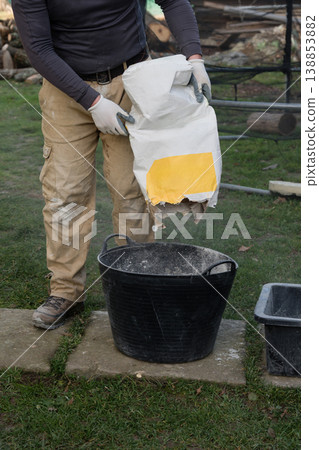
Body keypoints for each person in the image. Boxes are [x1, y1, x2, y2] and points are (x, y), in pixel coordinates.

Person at [11, 0, 211, 330]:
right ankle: (66, 292)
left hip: (132, 80)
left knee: (131, 190)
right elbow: (39, 48)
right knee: (65, 194)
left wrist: (195, 57)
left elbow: (174, 1)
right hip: (66, 88)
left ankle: (138, 281)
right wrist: (91, 101)